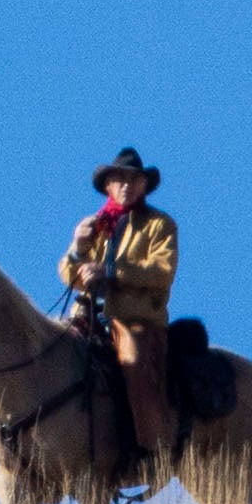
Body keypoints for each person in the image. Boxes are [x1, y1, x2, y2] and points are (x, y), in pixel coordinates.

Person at [58, 148, 178, 462]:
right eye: (119, 179)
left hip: (137, 320)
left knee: (133, 359)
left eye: (133, 180)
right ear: (108, 186)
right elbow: (69, 275)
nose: (126, 185)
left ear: (143, 186)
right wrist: (77, 250)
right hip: (89, 317)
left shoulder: (160, 225)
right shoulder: (95, 226)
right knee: (52, 350)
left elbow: (161, 273)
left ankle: (150, 449)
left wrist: (110, 272)